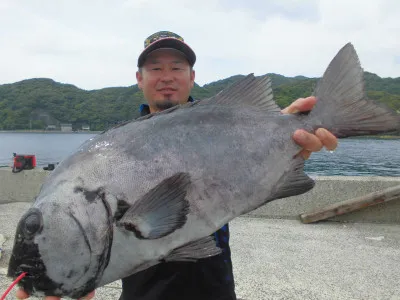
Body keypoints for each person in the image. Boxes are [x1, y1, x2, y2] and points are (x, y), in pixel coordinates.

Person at [16, 31, 337, 300]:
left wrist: (289, 142)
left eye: (177, 67)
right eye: (155, 68)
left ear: (192, 76)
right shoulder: (109, 150)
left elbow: (247, 168)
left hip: (213, 284)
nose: (166, 76)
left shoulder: (228, 126)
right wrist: (79, 274)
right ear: (139, 78)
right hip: (142, 291)